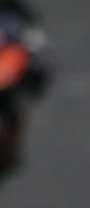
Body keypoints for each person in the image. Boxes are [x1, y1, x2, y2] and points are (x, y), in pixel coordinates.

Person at [0, 0, 52, 182]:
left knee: (16, 112)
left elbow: (38, 52)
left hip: (11, 83)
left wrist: (36, 71)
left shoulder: (19, 15)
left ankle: (9, 151)